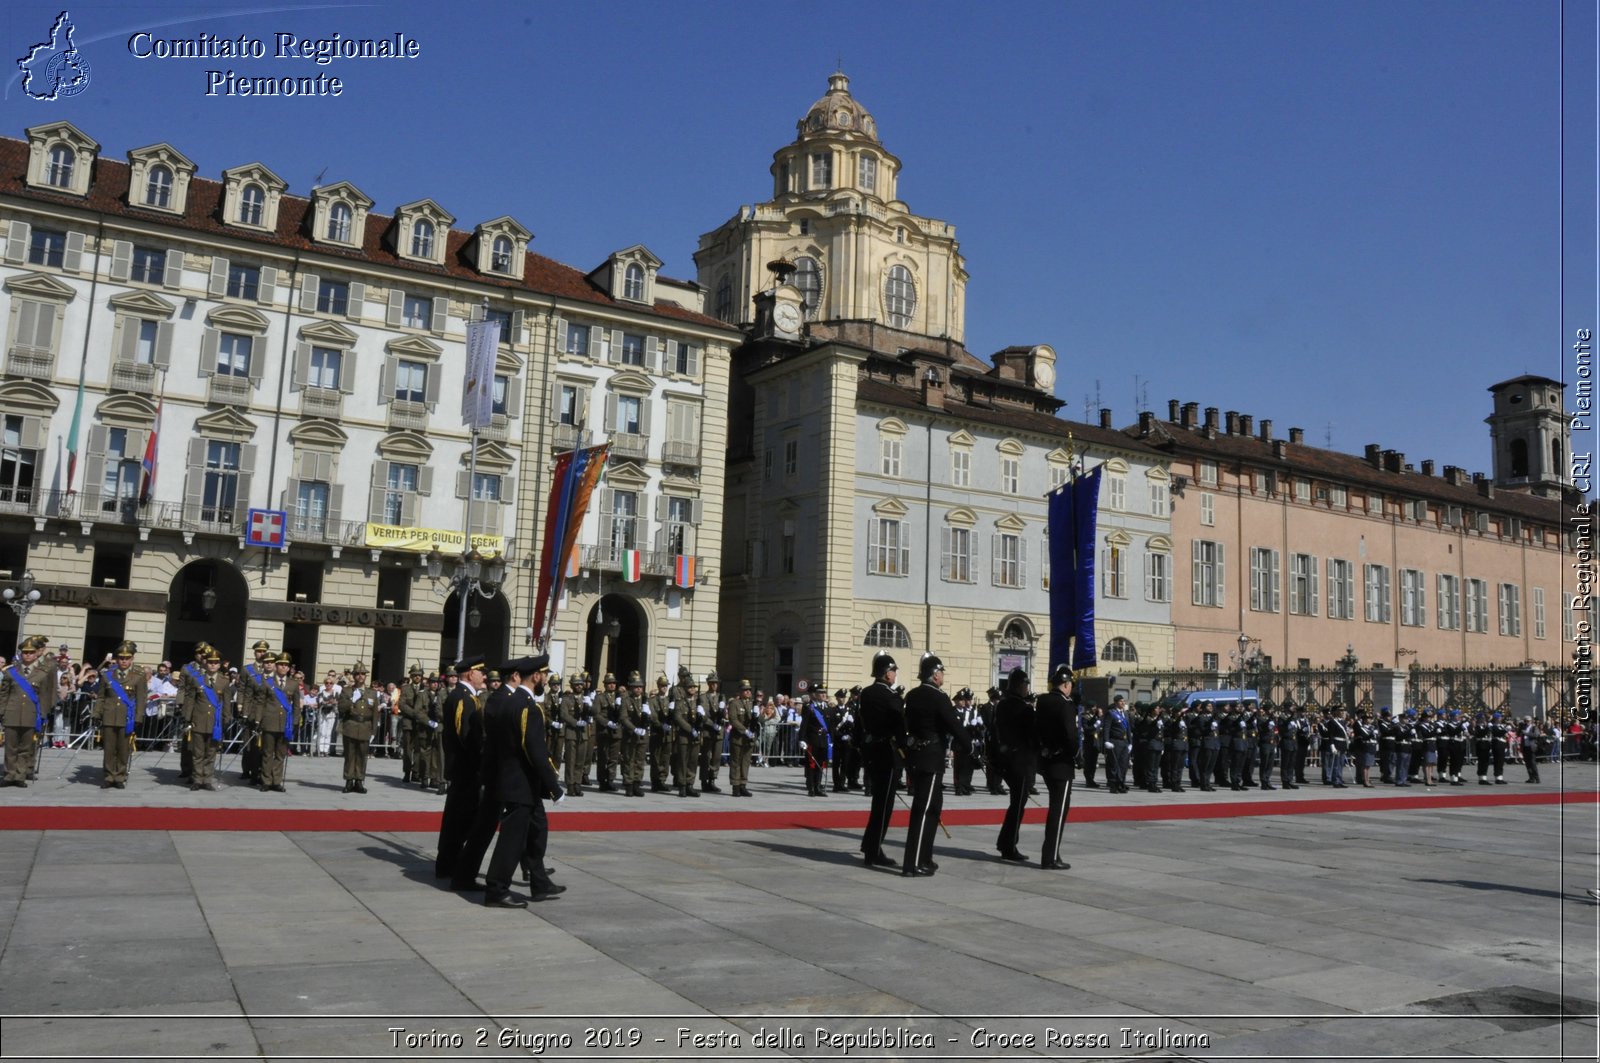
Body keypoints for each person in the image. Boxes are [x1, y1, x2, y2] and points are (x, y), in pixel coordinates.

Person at [480, 655, 565, 908]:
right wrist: (554, 786)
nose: (546, 679)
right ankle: (496, 890)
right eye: (545, 674)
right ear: (536, 676)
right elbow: (535, 750)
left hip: (515, 780)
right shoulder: (527, 706)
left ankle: (539, 882)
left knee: (535, 831)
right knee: (512, 840)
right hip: (520, 783)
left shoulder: (510, 700)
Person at [901, 654, 960, 877]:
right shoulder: (938, 697)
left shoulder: (913, 695)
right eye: (942, 672)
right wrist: (969, 747)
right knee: (924, 810)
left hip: (917, 755)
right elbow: (953, 724)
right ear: (935, 675)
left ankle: (925, 857)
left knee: (932, 808)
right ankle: (913, 863)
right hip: (931, 756)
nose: (943, 675)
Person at [437, 654, 488, 884]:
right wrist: (479, 759)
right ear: (470, 673)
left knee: (460, 818)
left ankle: (449, 863)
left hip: (466, 769)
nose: (484, 676)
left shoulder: (469, 697)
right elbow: (463, 734)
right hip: (465, 768)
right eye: (481, 672)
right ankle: (450, 863)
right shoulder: (462, 698)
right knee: (460, 819)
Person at [856, 653, 903, 867]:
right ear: (886, 674)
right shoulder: (891, 696)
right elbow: (900, 726)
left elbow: (860, 722)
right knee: (884, 804)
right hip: (887, 751)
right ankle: (873, 850)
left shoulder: (866, 693)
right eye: (893, 671)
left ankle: (870, 845)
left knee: (878, 802)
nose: (895, 675)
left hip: (871, 751)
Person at [1034, 664, 1079, 870]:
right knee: (1059, 810)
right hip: (1062, 763)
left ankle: (1051, 853)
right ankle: (1050, 857)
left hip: (1046, 761)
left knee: (1055, 807)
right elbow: (1070, 735)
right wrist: (1075, 754)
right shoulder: (1065, 704)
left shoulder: (1043, 701)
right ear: (1067, 684)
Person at [2, 635, 58, 787]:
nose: (27, 655)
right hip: (12, 713)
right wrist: (2, 712)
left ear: (36, 654)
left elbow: (46, 695)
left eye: (31, 652)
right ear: (21, 654)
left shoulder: (43, 673)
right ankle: (9, 775)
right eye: (25, 652)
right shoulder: (10, 672)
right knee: (10, 747)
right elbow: (4, 695)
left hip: (32, 714)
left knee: (25, 748)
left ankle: (20, 775)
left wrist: (44, 713)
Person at [994, 667, 1036, 862]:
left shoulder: (1002, 705)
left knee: (1016, 803)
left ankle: (1005, 842)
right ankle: (1009, 845)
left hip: (1005, 760)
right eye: (1026, 684)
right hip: (1021, 761)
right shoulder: (1025, 709)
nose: (1027, 688)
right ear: (1020, 685)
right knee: (1018, 805)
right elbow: (1032, 736)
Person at [93, 641, 147, 789]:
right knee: (109, 749)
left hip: (127, 718)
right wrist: (96, 714)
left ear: (132, 659)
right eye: (121, 658)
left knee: (123, 749)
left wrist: (138, 717)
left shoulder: (139, 675)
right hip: (109, 716)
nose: (124, 661)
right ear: (116, 659)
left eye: (127, 658)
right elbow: (101, 697)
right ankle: (109, 776)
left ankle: (120, 776)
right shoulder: (107, 675)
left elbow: (142, 699)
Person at [181, 647, 231, 791]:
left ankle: (207, 779)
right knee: (197, 753)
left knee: (211, 753)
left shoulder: (224, 681)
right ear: (205, 663)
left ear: (219, 664)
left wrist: (226, 718)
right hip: (198, 720)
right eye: (210, 662)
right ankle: (197, 779)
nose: (213, 665)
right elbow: (190, 700)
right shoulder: (196, 680)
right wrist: (187, 717)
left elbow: (226, 702)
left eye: (215, 662)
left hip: (215, 723)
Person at [256, 652, 300, 792]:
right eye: (281, 664)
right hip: (269, 722)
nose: (283, 667)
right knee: (268, 753)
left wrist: (295, 721)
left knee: (280, 754)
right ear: (276, 666)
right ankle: (266, 781)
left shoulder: (293, 684)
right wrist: (258, 720)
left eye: (286, 665)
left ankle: (277, 781)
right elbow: (260, 702)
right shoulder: (267, 682)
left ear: (289, 668)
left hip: (285, 724)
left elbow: (297, 705)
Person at [337, 663, 378, 794]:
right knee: (350, 755)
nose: (361, 676)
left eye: (363, 674)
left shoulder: (372, 692)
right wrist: (351, 700)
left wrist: (373, 731)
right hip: (351, 725)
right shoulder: (347, 691)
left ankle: (359, 780)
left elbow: (375, 714)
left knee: (362, 755)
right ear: (354, 676)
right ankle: (349, 780)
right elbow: (341, 708)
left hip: (365, 726)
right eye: (358, 674)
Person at [798, 678, 832, 797]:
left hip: (823, 740)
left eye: (824, 693)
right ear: (816, 695)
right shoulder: (809, 707)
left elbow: (829, 726)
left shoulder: (827, 708)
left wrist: (831, 740)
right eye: (821, 693)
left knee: (821, 764)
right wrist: (802, 739)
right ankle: (811, 787)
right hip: (813, 740)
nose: (823, 695)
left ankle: (818, 786)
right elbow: (804, 724)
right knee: (812, 764)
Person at [616, 671, 648, 798]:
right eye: (636, 687)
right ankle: (629, 785)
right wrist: (634, 729)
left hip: (643, 735)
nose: (638, 689)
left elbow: (650, 716)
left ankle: (636, 784)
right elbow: (623, 718)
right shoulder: (626, 700)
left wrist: (648, 719)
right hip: (630, 735)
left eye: (640, 686)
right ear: (631, 688)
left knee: (640, 761)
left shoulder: (646, 700)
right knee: (629, 760)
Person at [726, 679, 757, 797]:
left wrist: (758, 715)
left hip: (748, 739)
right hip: (738, 738)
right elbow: (733, 720)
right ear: (740, 691)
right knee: (736, 762)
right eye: (745, 690)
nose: (748, 692)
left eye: (749, 690)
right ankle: (735, 786)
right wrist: (745, 731)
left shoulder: (752, 704)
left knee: (745, 762)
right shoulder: (735, 703)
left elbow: (759, 721)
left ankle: (743, 785)